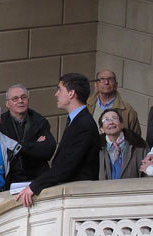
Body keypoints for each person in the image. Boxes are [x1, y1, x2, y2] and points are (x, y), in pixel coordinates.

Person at [18, 73, 99, 207]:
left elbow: (66, 166)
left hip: (78, 198)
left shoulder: (84, 124)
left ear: (71, 93)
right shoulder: (75, 120)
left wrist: (34, 186)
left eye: (60, 89)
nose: (56, 94)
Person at [0, 83, 56, 180]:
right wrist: (34, 145)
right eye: (15, 99)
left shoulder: (40, 121)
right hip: (10, 179)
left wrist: (16, 146)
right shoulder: (0, 123)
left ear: (28, 100)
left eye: (23, 97)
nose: (20, 101)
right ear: (7, 104)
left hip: (36, 178)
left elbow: (47, 151)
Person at [89, 69, 141, 136]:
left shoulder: (127, 110)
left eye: (110, 79)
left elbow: (136, 138)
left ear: (116, 85)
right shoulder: (86, 105)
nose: (106, 82)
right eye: (102, 79)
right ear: (96, 85)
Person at [98, 109, 146, 180]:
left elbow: (147, 172)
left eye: (114, 118)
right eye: (106, 120)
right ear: (101, 129)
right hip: (104, 189)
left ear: (122, 124)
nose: (111, 122)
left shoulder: (139, 145)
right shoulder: (96, 147)